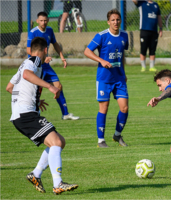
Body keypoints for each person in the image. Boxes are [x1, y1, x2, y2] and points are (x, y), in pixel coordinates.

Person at [6, 37, 78, 195]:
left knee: (60, 142)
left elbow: (9, 87)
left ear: (31, 49)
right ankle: (57, 183)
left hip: (23, 114)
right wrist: (50, 87)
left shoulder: (24, 63)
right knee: (56, 142)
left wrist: (31, 101)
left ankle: (36, 174)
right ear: (46, 50)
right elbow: (26, 75)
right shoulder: (35, 61)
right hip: (25, 115)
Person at [84, 9, 129, 148]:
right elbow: (87, 51)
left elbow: (122, 55)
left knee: (124, 108)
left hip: (119, 78)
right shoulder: (101, 36)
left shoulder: (124, 36)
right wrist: (101, 60)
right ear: (108, 21)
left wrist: (124, 72)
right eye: (113, 20)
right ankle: (101, 141)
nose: (116, 22)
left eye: (118, 19)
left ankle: (117, 135)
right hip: (104, 78)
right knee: (104, 108)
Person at [27, 11, 79, 120]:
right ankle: (30, 113)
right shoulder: (33, 32)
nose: (43, 22)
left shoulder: (49, 30)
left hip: (46, 66)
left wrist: (62, 57)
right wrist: (41, 58)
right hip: (35, 66)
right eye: (41, 20)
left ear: (48, 20)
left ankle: (65, 114)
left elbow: (55, 43)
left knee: (58, 87)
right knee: (34, 91)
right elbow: (29, 50)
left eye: (45, 20)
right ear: (37, 21)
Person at [132, 0, 163, 72]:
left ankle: (152, 67)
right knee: (143, 49)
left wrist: (161, 28)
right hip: (144, 30)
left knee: (152, 49)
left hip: (154, 31)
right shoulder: (142, 3)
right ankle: (143, 67)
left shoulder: (156, 5)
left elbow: (159, 17)